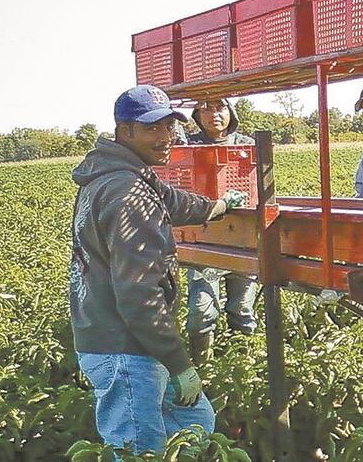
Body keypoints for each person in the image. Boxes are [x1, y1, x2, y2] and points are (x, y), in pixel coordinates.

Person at [69, 85, 247, 454]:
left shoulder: (121, 176)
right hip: (126, 347)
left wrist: (218, 206)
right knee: (140, 450)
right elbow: (139, 294)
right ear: (125, 132)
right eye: (152, 128)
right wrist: (180, 364)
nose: (166, 137)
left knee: (194, 424)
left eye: (168, 126)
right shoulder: (127, 193)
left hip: (121, 340)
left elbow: (172, 201)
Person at [182, 98, 258, 364]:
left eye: (220, 107)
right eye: (207, 108)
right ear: (197, 115)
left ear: (231, 112)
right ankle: (203, 367)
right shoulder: (188, 145)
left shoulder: (247, 144)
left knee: (242, 308)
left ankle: (242, 365)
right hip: (204, 239)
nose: (215, 114)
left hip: (244, 237)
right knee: (201, 312)